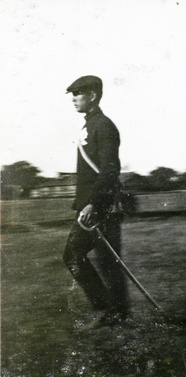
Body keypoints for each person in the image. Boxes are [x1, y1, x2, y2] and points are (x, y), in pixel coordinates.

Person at [62, 75, 129, 327]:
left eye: (78, 93)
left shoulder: (103, 126)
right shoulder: (90, 125)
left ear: (92, 95)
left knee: (75, 256)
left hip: (97, 207)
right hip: (92, 205)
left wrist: (92, 204)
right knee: (105, 262)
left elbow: (110, 170)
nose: (73, 98)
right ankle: (117, 314)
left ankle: (106, 311)